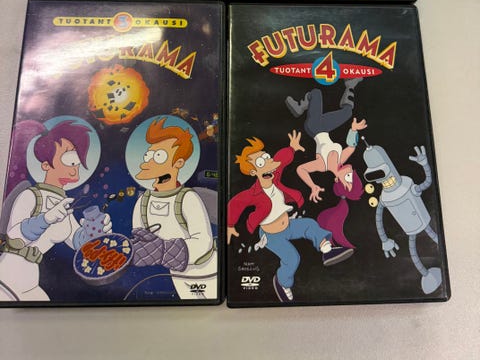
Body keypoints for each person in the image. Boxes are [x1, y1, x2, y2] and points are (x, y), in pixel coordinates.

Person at [227, 130, 353, 303]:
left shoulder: (275, 177)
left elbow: (281, 159)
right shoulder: (252, 193)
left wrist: (291, 148)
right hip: (271, 236)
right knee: (292, 258)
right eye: (261, 162)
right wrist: (230, 225)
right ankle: (282, 283)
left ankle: (327, 251)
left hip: (288, 225)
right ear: (253, 172)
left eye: (267, 157)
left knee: (309, 224)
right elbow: (235, 203)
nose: (269, 162)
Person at [0, 120, 111, 301]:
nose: (75, 166)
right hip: (7, 277)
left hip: (30, 281)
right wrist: (45, 219)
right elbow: (14, 236)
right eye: (69, 159)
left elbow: (77, 241)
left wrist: (96, 233)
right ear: (46, 165)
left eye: (78, 160)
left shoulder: (64, 204)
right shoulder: (31, 196)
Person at [130, 118, 217, 300]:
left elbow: (203, 243)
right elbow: (139, 241)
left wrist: (163, 250)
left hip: (207, 271)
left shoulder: (187, 198)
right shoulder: (142, 203)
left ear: (179, 163)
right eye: (148, 155)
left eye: (158, 156)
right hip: (178, 275)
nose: (149, 161)